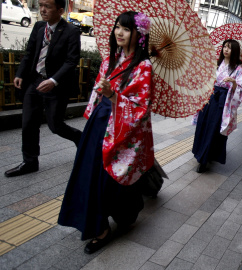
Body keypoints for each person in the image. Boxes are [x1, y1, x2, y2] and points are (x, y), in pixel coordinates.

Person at [58, 11, 154, 254]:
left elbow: (140, 108)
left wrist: (112, 95)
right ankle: (99, 223)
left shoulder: (143, 67)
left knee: (106, 180)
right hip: (99, 125)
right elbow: (97, 94)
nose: (119, 33)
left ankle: (108, 223)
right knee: (89, 174)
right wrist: (100, 97)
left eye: (126, 29)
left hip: (121, 131)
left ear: (138, 34)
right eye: (117, 27)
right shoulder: (109, 60)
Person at [5, 0, 82, 177]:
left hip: (56, 87)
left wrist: (54, 80)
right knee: (29, 123)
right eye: (41, 5)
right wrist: (20, 74)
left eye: (47, 6)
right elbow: (30, 52)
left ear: (60, 10)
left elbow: (71, 61)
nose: (42, 10)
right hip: (35, 82)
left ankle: (79, 138)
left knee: (55, 125)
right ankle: (30, 161)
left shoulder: (71, 31)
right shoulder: (40, 26)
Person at [192, 39, 242, 173]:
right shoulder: (216, 63)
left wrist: (233, 82)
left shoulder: (238, 69)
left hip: (223, 101)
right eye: (224, 47)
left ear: (235, 51)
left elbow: (240, 90)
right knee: (203, 125)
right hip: (209, 97)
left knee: (213, 128)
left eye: (229, 47)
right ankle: (201, 152)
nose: (226, 49)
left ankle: (204, 159)